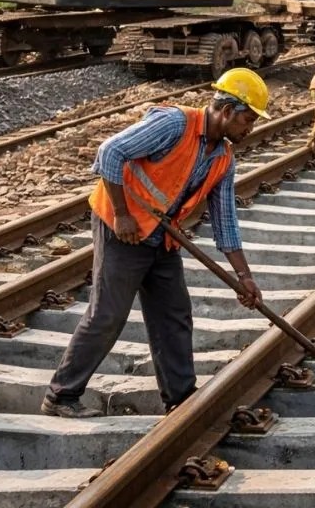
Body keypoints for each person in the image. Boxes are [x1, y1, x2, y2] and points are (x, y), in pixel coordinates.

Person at [42, 69, 269, 418]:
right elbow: (110, 152)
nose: (249, 128)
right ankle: (61, 396)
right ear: (226, 111)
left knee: (173, 314)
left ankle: (180, 398)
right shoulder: (175, 124)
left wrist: (244, 276)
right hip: (123, 230)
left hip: (162, 238)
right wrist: (122, 215)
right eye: (248, 119)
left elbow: (225, 220)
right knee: (108, 313)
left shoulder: (223, 157)